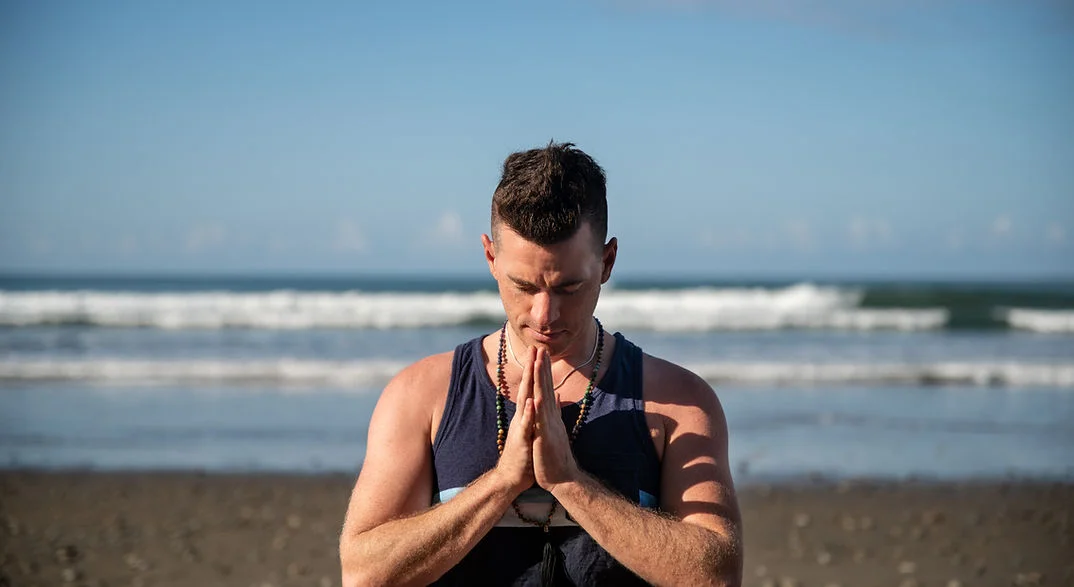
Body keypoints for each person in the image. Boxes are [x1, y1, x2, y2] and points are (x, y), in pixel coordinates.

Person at [339, 142, 742, 586]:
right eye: (524, 286)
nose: (544, 315)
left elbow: (716, 576)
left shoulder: (678, 401)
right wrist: (502, 482)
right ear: (491, 258)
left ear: (607, 262)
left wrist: (570, 482)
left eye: (568, 287)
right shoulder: (422, 395)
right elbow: (364, 574)